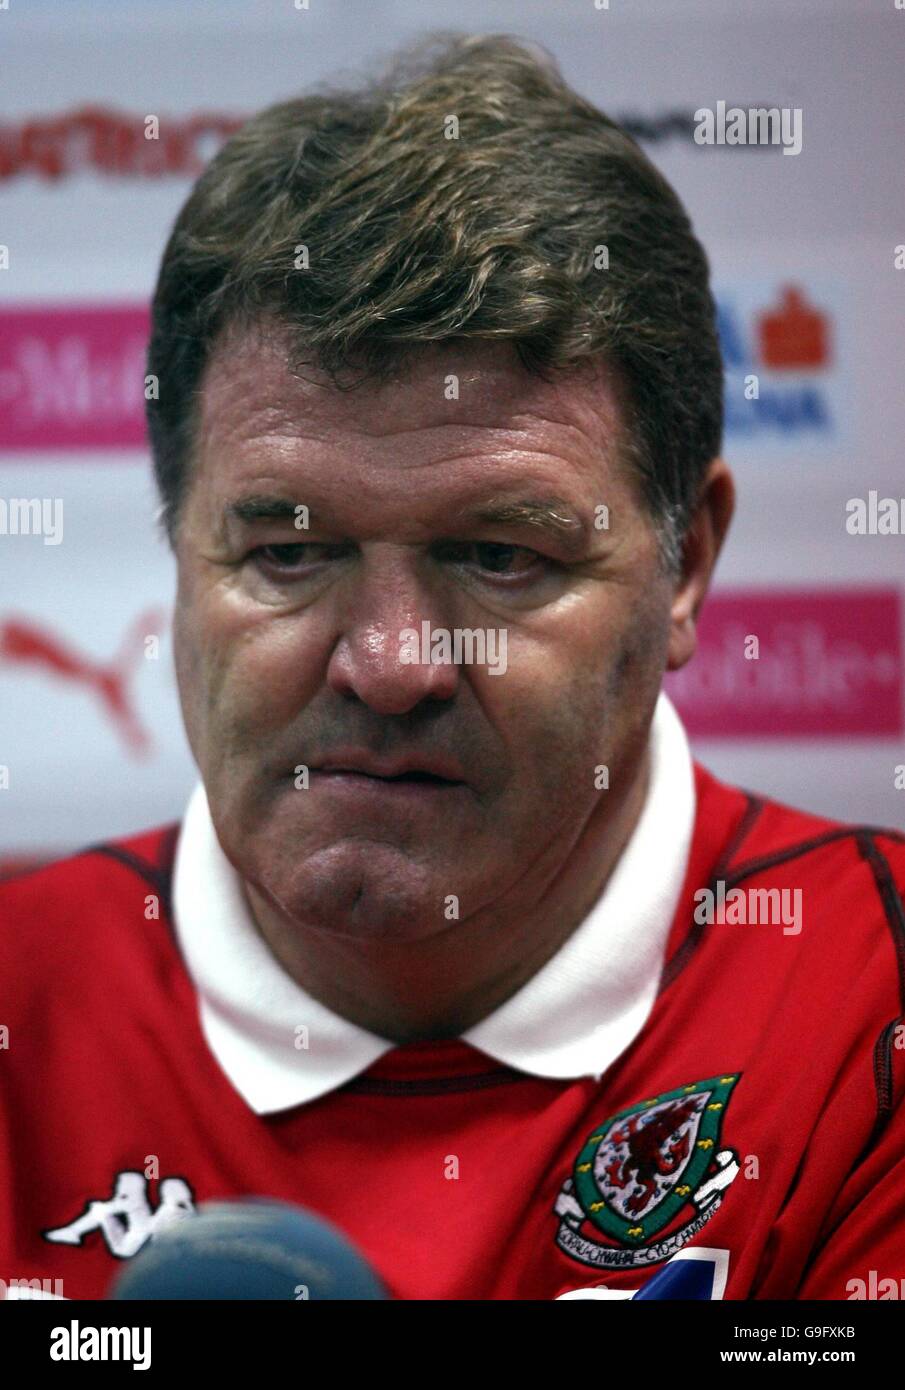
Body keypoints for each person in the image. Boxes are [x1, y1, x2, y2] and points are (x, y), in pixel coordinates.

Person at [1, 33, 903, 1302]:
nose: (388, 665)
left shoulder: (873, 1001)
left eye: (496, 555)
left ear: (684, 566)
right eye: (288, 551)